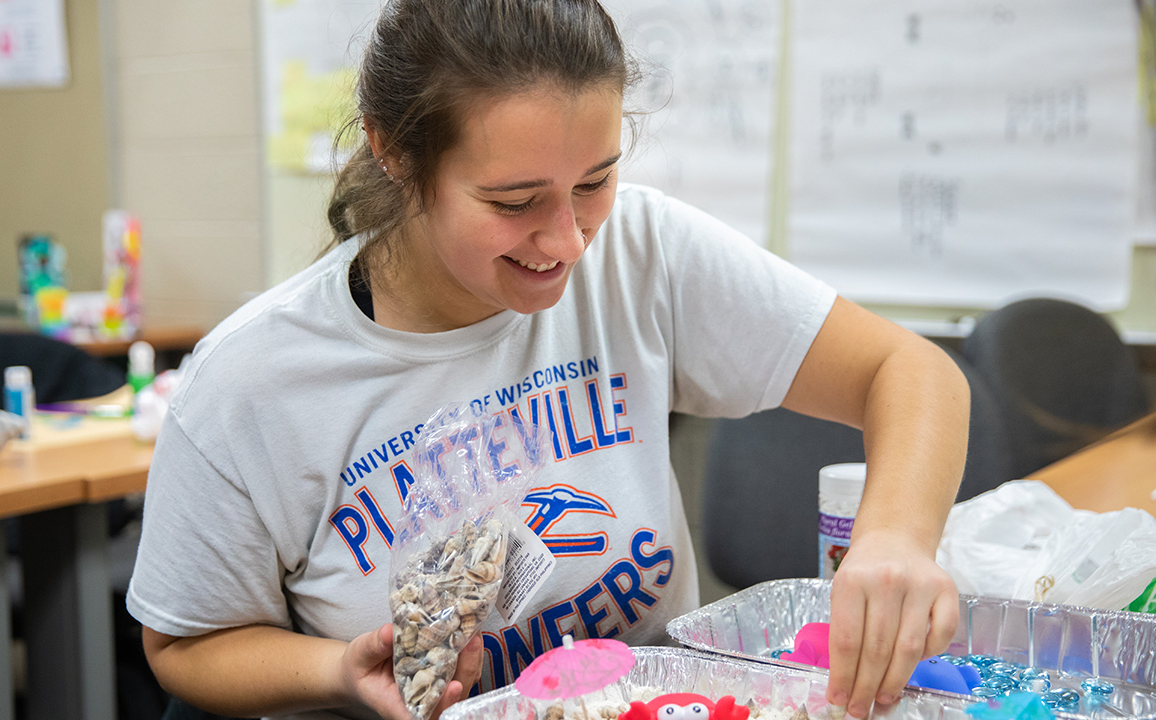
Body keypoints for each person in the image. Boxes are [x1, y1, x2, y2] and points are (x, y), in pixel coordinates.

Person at [126, 0, 970, 718]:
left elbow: (911, 373)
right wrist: (336, 669)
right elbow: (183, 643)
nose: (567, 242)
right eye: (515, 202)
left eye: (595, 182)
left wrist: (894, 535)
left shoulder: (642, 251)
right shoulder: (251, 384)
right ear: (394, 151)